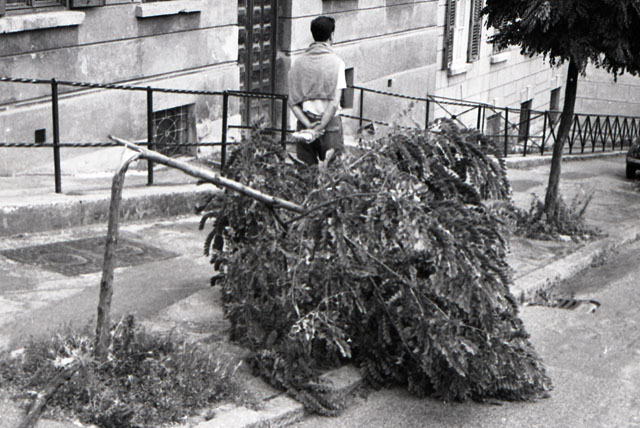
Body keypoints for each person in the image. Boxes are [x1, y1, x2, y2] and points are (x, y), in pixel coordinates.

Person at [288, 15, 346, 165]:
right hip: (330, 126)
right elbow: (334, 103)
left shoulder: (298, 63)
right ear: (331, 36)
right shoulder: (337, 63)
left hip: (305, 125)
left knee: (305, 172)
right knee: (334, 173)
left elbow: (292, 102)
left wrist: (309, 126)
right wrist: (319, 128)